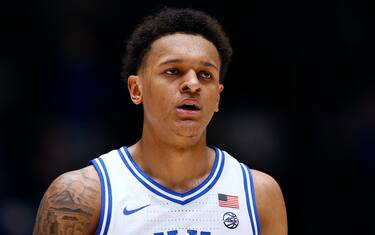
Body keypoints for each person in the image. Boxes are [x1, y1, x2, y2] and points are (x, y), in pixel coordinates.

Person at [33, 7, 287, 235]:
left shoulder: (259, 194)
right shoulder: (79, 195)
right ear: (136, 89)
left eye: (205, 74)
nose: (193, 84)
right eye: (173, 71)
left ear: (217, 97)